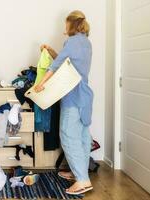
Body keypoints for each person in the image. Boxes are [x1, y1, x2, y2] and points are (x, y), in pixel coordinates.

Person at [35, 10, 94, 195]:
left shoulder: (72, 42)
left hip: (73, 97)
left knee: (68, 136)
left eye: (65, 24)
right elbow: (66, 62)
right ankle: (80, 173)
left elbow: (55, 66)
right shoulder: (86, 43)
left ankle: (82, 180)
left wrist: (41, 84)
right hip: (86, 96)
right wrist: (51, 50)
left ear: (71, 25)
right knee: (83, 137)